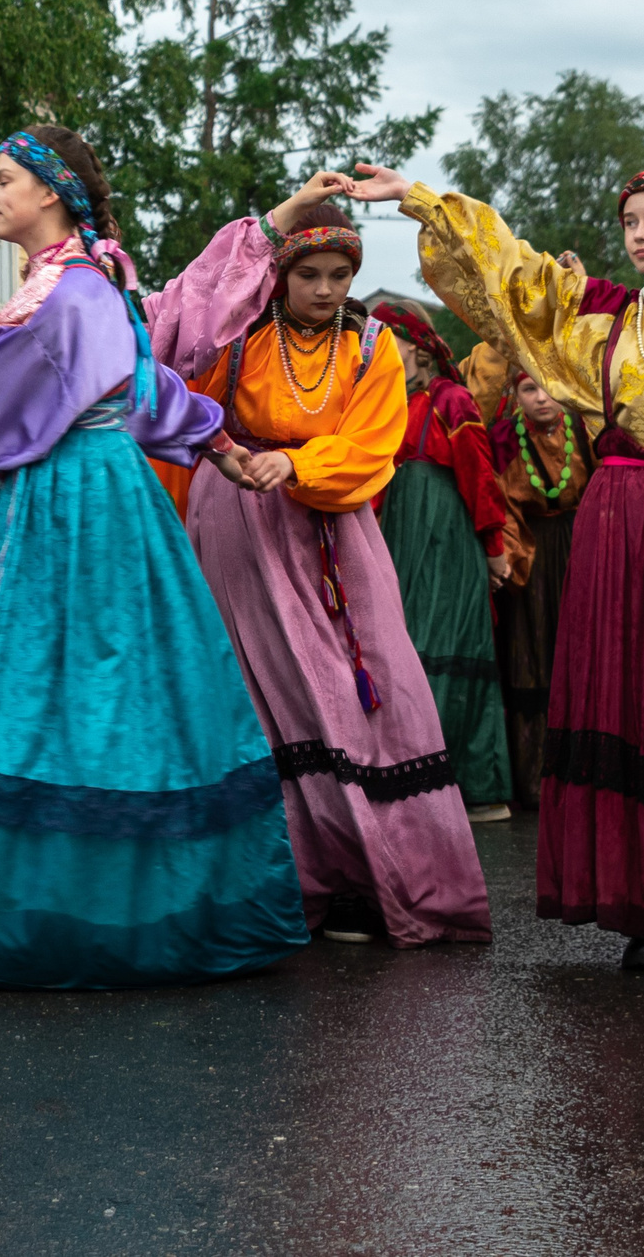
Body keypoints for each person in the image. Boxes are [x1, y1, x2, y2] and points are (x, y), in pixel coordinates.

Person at [0, 126, 308, 992]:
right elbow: (139, 379)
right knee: (84, 700)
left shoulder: (71, 291)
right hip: (66, 500)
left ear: (50, 193)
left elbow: (5, 384)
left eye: (2, 177)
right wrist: (216, 440)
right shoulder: (72, 284)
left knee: (52, 695)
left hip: (78, 505)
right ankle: (30, 907)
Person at [348, 162, 644, 972]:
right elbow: (508, 271)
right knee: (628, 706)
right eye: (630, 219)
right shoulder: (601, 317)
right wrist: (420, 197)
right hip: (616, 528)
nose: (638, 234)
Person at [181, 206, 492, 948]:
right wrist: (242, 456)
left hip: (333, 516)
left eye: (339, 275)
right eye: (308, 274)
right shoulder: (239, 334)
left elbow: (372, 441)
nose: (324, 289)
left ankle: (370, 872)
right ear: (278, 274)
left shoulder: (374, 345)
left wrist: (299, 463)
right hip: (240, 513)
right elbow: (186, 395)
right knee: (268, 691)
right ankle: (283, 878)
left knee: (372, 684)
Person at [371, 302, 513, 821]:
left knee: (449, 646)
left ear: (420, 349)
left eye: (391, 343)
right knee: (406, 651)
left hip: (448, 538)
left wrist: (494, 548)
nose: (380, 354)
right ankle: (420, 783)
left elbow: (479, 475)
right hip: (401, 540)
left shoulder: (452, 401)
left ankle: (475, 787)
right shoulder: (389, 405)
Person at [492, 369, 593, 810]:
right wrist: (510, 559)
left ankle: (589, 774)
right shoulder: (505, 439)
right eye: (529, 389)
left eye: (547, 387)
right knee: (532, 657)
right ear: (515, 395)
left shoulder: (586, 430)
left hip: (584, 546)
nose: (541, 398)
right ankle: (536, 781)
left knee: (586, 653)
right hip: (531, 555)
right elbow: (501, 506)